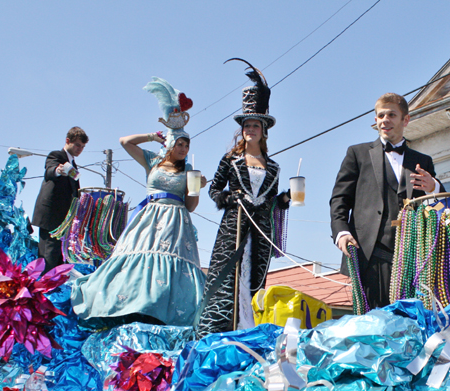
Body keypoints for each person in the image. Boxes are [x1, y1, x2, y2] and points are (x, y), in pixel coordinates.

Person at [71, 78, 206, 327]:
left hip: (175, 222)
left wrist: (196, 189)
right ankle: (129, 306)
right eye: (180, 143)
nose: (184, 148)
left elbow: (191, 206)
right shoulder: (152, 161)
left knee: (168, 266)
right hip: (149, 218)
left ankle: (161, 312)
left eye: (187, 145)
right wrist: (152, 136)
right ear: (170, 144)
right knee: (137, 260)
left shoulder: (190, 171)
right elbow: (125, 142)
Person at [196, 61, 290, 338]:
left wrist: (283, 201)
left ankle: (244, 326)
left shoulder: (273, 167)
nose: (250, 129)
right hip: (234, 229)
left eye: (255, 126)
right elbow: (214, 189)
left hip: (260, 231)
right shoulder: (230, 160)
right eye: (247, 125)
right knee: (226, 278)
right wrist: (226, 198)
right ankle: (218, 329)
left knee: (253, 279)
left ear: (263, 130)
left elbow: (271, 200)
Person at [329, 93, 442, 310]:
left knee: (411, 323)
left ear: (405, 120)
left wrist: (434, 188)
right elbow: (339, 198)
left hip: (414, 257)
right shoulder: (357, 154)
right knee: (373, 326)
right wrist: (341, 232)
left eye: (391, 114)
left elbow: (437, 208)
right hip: (370, 253)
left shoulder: (422, 161)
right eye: (380, 115)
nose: (384, 120)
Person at [32, 127, 89, 272]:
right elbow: (50, 170)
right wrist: (58, 170)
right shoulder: (56, 155)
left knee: (58, 258)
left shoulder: (73, 164)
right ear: (67, 141)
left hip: (64, 220)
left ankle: (54, 289)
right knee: (48, 256)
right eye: (77, 145)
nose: (79, 149)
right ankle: (44, 290)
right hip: (51, 216)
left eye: (82, 147)